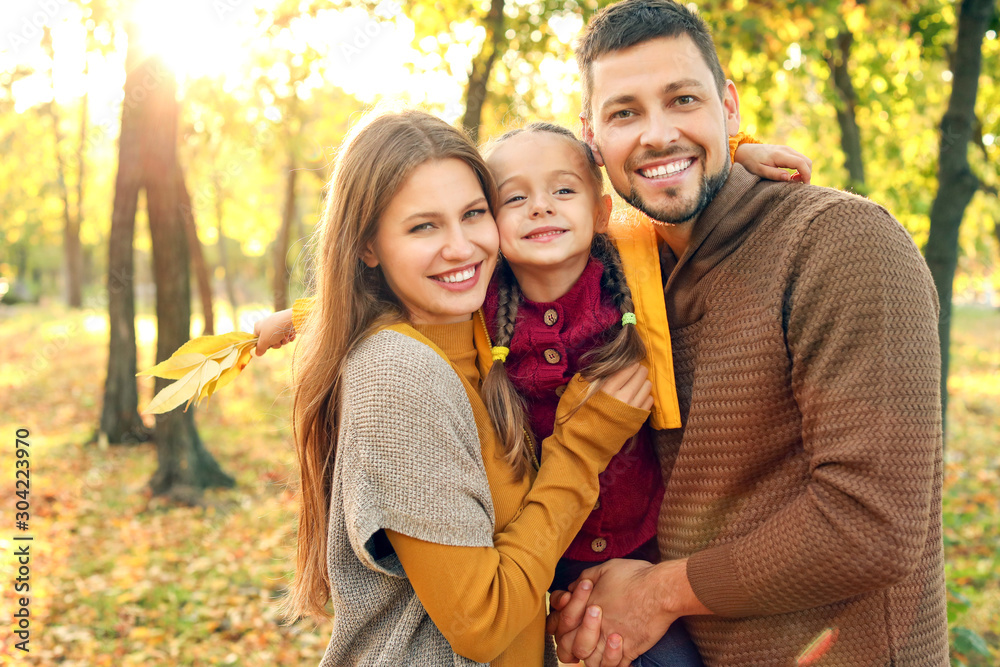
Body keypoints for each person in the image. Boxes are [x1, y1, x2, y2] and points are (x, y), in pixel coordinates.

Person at [545, 1, 948, 666]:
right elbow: (474, 221)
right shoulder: (617, 274)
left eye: (682, 99)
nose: (657, 133)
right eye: (625, 113)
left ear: (728, 108)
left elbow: (871, 525)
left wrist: (658, 593)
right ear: (592, 137)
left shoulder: (840, 243)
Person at [284, 108, 655, 667]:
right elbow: (482, 624)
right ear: (367, 247)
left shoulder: (485, 335)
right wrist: (583, 449)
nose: (461, 248)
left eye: (474, 214)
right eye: (423, 226)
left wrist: (733, 155)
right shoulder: (398, 376)